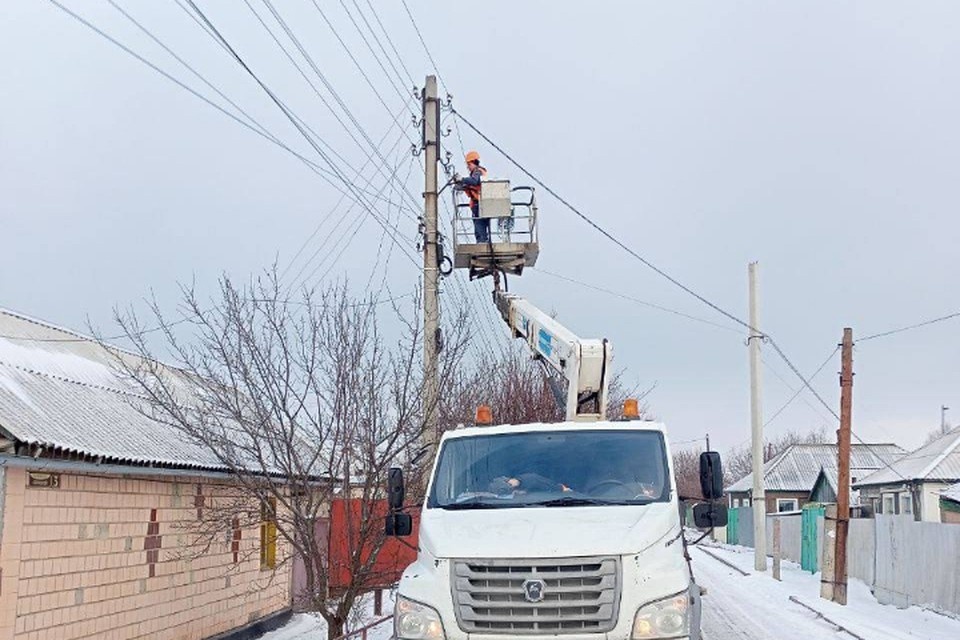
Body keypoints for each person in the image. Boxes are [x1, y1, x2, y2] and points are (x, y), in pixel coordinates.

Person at [454, 150, 489, 243]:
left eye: (469, 165)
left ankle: (481, 242)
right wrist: (461, 184)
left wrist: (462, 179)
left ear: (473, 163)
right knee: (480, 226)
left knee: (479, 225)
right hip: (481, 203)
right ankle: (482, 240)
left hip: (479, 204)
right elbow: (472, 185)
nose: (468, 167)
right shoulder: (478, 173)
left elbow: (474, 181)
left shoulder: (478, 172)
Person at [488, 472, 572, 495]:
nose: (511, 485)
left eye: (509, 483)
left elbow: (559, 489)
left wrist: (561, 489)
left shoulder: (532, 479)